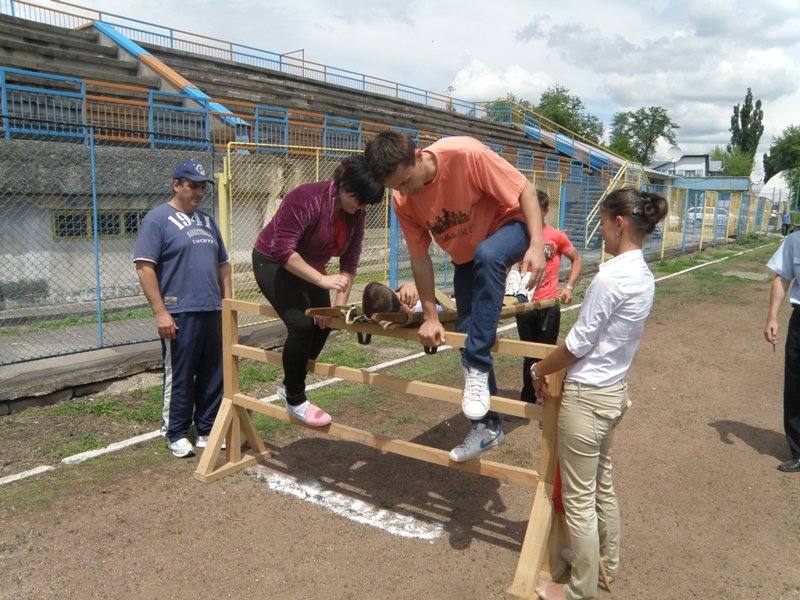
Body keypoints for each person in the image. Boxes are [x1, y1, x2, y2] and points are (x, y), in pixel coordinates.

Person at [364, 130, 546, 462]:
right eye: (396, 188)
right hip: (466, 258)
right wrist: (431, 316)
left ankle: (476, 368)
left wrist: (536, 243)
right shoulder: (401, 199)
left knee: (490, 255)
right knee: (467, 330)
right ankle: (487, 428)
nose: (405, 192)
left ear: (418, 156)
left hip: (510, 227)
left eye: (407, 181)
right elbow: (420, 258)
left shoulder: (465, 154)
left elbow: (525, 190)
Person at [528, 187, 668, 600]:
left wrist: (538, 368)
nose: (602, 233)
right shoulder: (643, 273)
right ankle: (607, 565)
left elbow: (577, 344)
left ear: (619, 223)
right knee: (601, 484)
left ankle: (578, 591)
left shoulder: (611, 276)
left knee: (579, 500)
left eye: (605, 225)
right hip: (612, 392)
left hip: (588, 398)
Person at [252, 156, 384, 427]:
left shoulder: (356, 213)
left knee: (325, 322)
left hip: (310, 266)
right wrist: (323, 282)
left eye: (365, 203)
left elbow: (350, 260)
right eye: (358, 199)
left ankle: (289, 383)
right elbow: (283, 250)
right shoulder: (305, 198)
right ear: (343, 186)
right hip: (273, 260)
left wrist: (337, 307)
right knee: (301, 324)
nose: (361, 207)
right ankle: (295, 399)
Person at [134, 159, 231, 458]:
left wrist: (228, 306)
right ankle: (175, 431)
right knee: (180, 374)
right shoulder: (157, 219)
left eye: (203, 186)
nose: (199, 192)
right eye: (193, 185)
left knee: (214, 372)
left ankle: (206, 428)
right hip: (179, 312)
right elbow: (145, 267)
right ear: (177, 184)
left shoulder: (207, 221)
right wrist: (160, 312)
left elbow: (223, 266)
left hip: (211, 310)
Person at [503, 189, 582, 404]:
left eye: (536, 210)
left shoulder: (556, 236)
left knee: (547, 354)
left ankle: (547, 399)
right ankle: (528, 397)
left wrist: (569, 287)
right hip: (525, 305)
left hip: (548, 304)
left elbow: (576, 259)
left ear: (545, 211)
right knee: (529, 352)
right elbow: (506, 264)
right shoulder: (519, 237)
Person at [763, 229, 800, 472]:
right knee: (796, 385)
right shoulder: (795, 240)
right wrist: (772, 316)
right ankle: (798, 451)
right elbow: (783, 276)